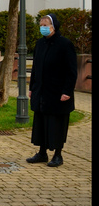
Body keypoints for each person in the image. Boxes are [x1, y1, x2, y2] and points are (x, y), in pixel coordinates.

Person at [27, 14, 78, 168]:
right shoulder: (40, 44)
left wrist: (67, 91)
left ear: (54, 26)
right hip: (41, 91)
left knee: (57, 125)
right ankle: (42, 153)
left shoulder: (65, 44)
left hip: (58, 93)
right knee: (41, 123)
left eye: (46, 25)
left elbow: (71, 71)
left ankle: (58, 155)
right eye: (41, 25)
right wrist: (32, 88)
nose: (42, 27)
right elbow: (35, 68)